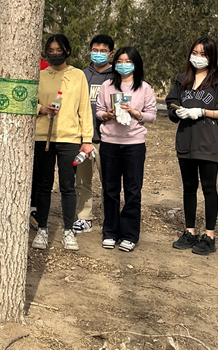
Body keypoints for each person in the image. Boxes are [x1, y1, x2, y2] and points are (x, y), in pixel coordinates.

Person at [165, 37, 218, 256]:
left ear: (212, 57)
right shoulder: (182, 80)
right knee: (188, 187)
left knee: (208, 188)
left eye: (203, 54)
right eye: (195, 53)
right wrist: (177, 111)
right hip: (186, 141)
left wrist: (202, 112)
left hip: (209, 143)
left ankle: (209, 236)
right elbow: (170, 105)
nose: (198, 58)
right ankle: (189, 232)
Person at [31, 34, 94, 252]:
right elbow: (29, 102)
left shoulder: (78, 76)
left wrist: (87, 140)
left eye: (60, 50)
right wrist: (41, 109)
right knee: (43, 185)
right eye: (51, 50)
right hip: (43, 138)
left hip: (70, 139)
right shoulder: (39, 75)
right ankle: (42, 228)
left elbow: (85, 109)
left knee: (68, 186)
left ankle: (68, 230)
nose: (55, 54)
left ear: (67, 51)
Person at [94, 46, 157, 253]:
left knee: (132, 190)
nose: (123, 65)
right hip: (110, 142)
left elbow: (152, 116)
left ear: (136, 64)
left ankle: (129, 234)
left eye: (127, 61)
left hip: (134, 144)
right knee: (110, 189)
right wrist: (107, 115)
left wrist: (135, 112)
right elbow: (99, 111)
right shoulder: (107, 86)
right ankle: (110, 231)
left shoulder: (145, 88)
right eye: (119, 61)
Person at [74, 34, 115, 234]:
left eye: (103, 51)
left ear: (111, 53)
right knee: (82, 181)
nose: (98, 54)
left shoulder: (116, 77)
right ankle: (84, 217)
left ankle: (110, 220)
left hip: (108, 138)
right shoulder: (81, 75)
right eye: (95, 50)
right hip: (83, 138)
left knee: (109, 181)